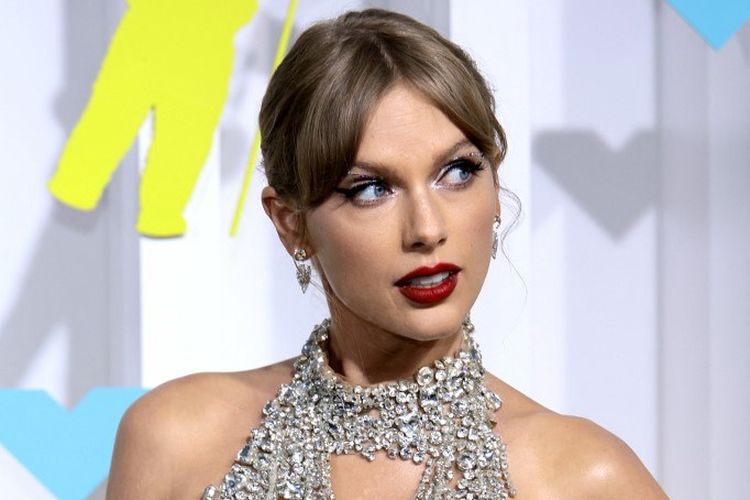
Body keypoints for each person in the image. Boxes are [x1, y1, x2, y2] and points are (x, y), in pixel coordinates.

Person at [106, 8, 668, 499]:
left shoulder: (584, 477)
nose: (427, 229)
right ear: (290, 223)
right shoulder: (173, 438)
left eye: (458, 172)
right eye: (371, 188)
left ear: (495, 184)